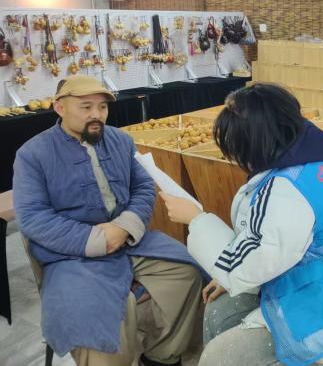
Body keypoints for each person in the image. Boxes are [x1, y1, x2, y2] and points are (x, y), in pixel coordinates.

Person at [161, 83, 323, 366]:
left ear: (255, 144)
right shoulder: (307, 160)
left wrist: (196, 219)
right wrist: (229, 274)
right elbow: (267, 245)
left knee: (218, 357)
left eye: (235, 148)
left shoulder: (287, 191)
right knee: (220, 309)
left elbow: (250, 263)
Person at [13, 75, 203, 366]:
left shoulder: (120, 140)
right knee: (94, 313)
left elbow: (143, 187)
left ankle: (162, 355)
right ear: (60, 108)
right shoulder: (32, 155)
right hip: (71, 255)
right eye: (86, 107)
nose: (97, 115)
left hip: (131, 242)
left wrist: (124, 227)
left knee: (187, 271)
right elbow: (33, 217)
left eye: (102, 107)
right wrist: (97, 240)